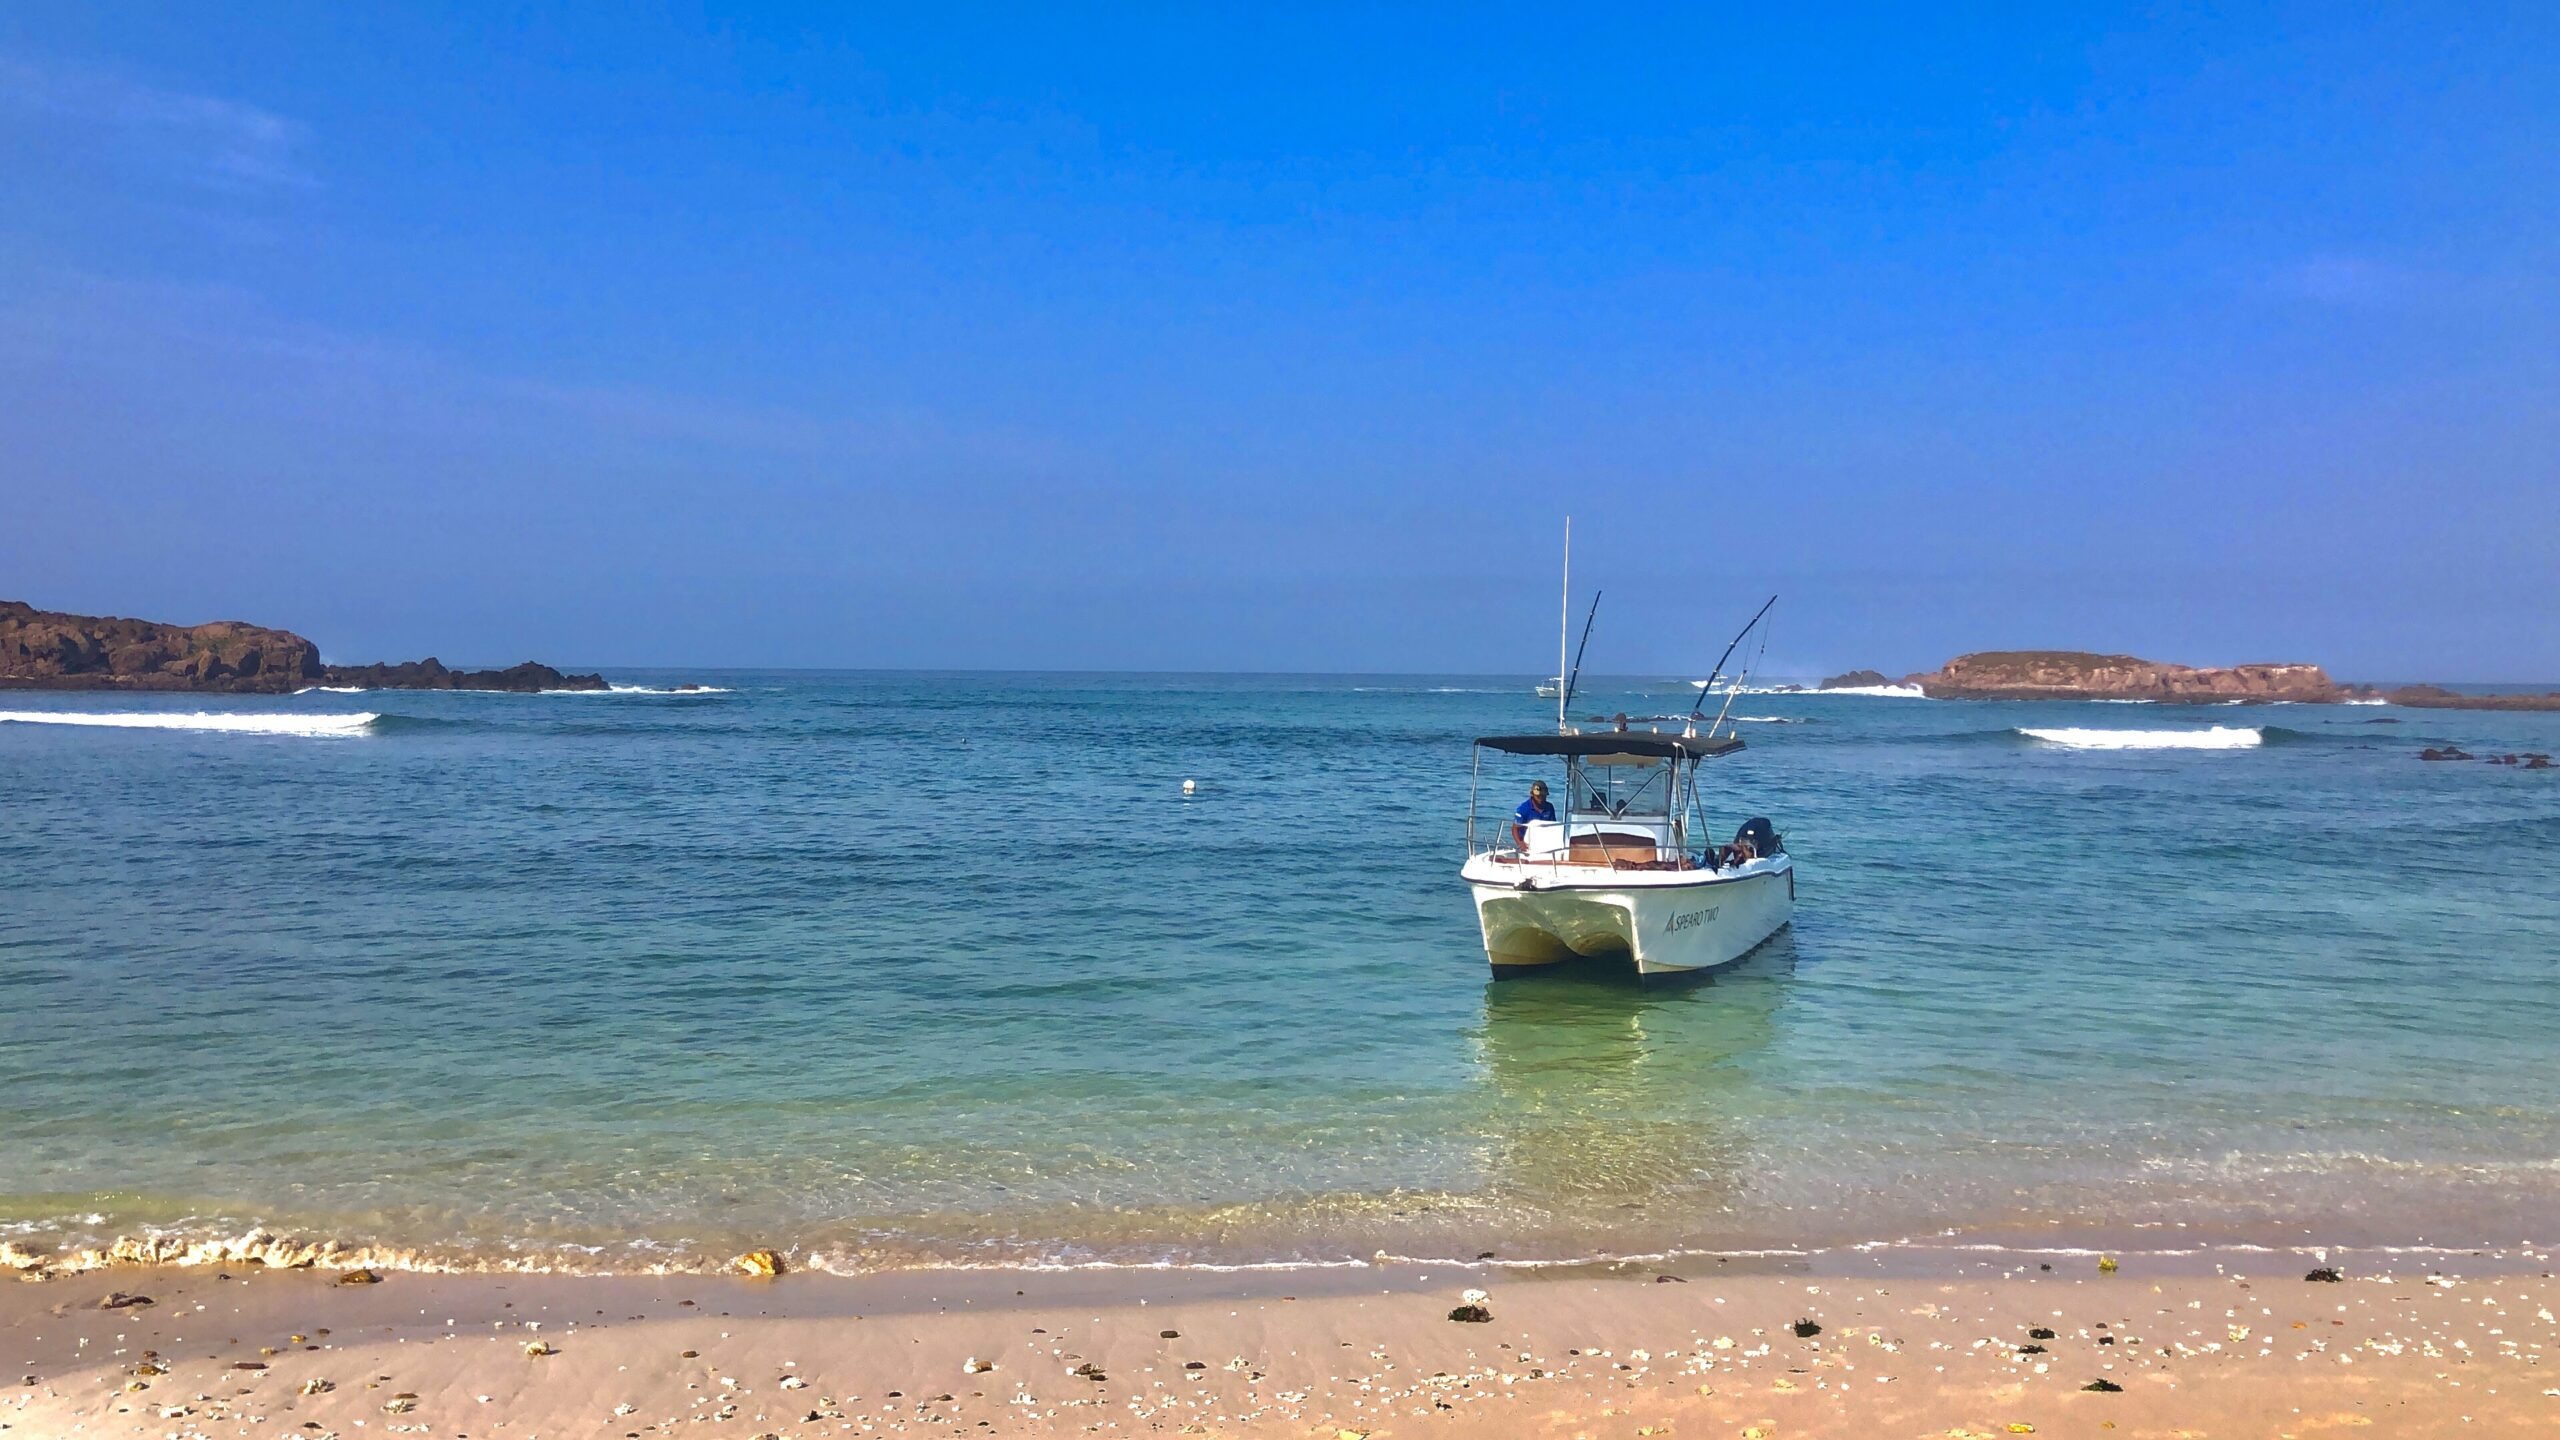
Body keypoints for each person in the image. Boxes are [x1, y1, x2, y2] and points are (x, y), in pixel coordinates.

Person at [1511, 780, 1555, 849]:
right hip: (1527, 843)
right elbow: (1515, 828)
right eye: (1538, 796)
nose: (1541, 799)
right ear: (1533, 795)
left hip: (1544, 842)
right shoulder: (1523, 808)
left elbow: (1553, 827)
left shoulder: (1549, 807)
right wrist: (1520, 843)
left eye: (1543, 796)